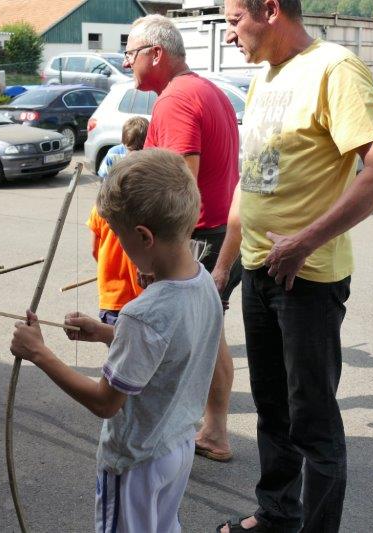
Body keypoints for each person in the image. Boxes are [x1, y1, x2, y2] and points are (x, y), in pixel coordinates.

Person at [217, 1, 373, 531]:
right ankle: (277, 513)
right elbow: (249, 185)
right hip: (258, 271)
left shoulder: (334, 68)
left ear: (270, 9)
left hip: (308, 278)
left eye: (234, 20)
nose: (230, 35)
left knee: (312, 420)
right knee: (272, 408)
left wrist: (303, 242)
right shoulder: (265, 79)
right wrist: (222, 268)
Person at [11, 149, 223, 532]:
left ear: (143, 236)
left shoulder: (143, 314)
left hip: (135, 460)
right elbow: (172, 348)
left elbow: (105, 402)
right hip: (175, 447)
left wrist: (39, 353)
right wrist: (108, 333)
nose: (119, 246)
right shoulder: (203, 280)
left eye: (120, 237)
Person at [123, 14, 241, 462]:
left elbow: (176, 187)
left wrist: (154, 255)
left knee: (191, 337)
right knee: (211, 335)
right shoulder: (208, 89)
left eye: (131, 53)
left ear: (156, 54)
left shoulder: (174, 100)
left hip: (195, 236)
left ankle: (192, 429)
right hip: (218, 231)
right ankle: (214, 431)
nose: (128, 62)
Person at [89, 116, 148, 325]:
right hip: (141, 299)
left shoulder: (100, 209)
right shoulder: (147, 209)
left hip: (112, 295)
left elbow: (95, 251)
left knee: (117, 352)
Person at [96, 116, 149, 180]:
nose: (134, 153)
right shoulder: (113, 154)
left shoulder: (150, 157)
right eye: (130, 149)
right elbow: (103, 176)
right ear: (124, 142)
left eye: (139, 149)